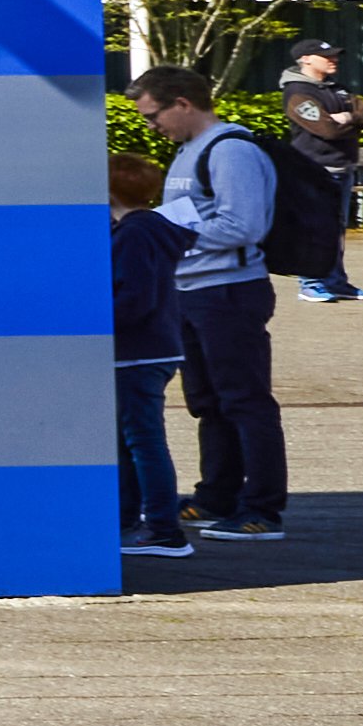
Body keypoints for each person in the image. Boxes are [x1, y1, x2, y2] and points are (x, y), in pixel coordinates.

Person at [153, 66, 291, 539]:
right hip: (193, 291)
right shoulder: (189, 151)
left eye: (155, 115)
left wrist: (164, 237)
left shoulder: (230, 151)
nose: (153, 125)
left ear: (183, 104)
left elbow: (243, 226)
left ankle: (262, 510)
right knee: (209, 401)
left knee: (245, 400)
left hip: (228, 291)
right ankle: (216, 494)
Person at [107, 159, 192, 563]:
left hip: (136, 352)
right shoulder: (151, 229)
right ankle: (130, 521)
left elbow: (134, 298)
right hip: (153, 349)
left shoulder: (134, 234)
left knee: (142, 440)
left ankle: (163, 528)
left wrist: (95, 320)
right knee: (132, 440)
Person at [267, 44, 363, 305]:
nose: (334, 59)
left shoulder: (337, 88)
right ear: (306, 59)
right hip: (314, 168)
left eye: (335, 54)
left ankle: (336, 282)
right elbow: (326, 130)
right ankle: (310, 283)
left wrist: (346, 117)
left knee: (337, 228)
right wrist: (345, 121)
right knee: (312, 226)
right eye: (327, 56)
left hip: (342, 166)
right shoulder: (296, 92)